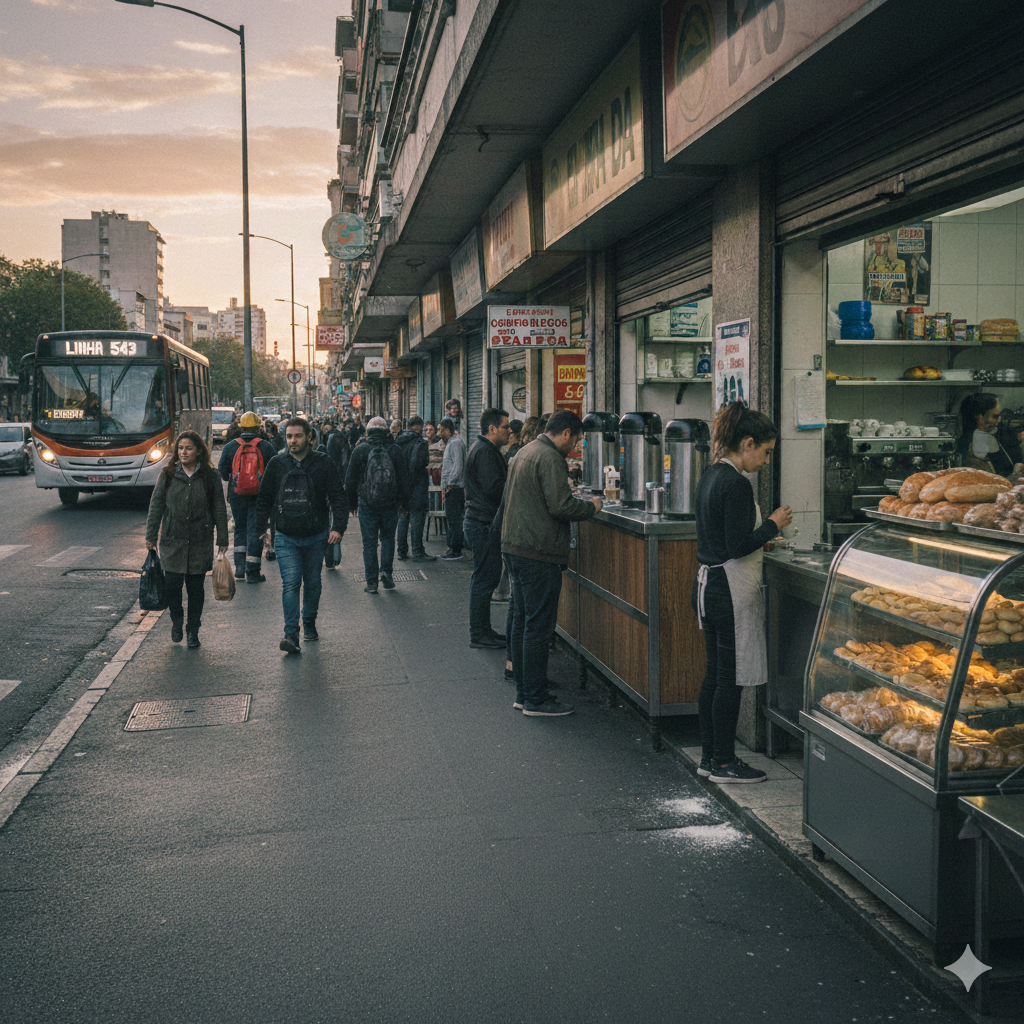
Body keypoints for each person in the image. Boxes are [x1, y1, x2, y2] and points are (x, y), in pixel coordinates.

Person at [691, 402, 792, 784]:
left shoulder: (712, 474)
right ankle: (723, 761)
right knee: (728, 680)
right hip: (727, 591)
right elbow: (737, 544)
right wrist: (772, 524)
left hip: (711, 586)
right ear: (748, 444)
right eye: (765, 452)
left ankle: (708, 757)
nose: (765, 461)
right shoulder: (734, 482)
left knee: (714, 676)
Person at [502, 410, 601, 716]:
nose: (577, 444)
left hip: (516, 547)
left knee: (523, 619)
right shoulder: (549, 457)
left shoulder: (526, 450)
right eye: (579, 438)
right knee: (538, 626)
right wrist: (592, 507)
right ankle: (534, 698)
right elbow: (561, 505)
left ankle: (524, 691)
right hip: (537, 552)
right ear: (567, 433)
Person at [255, 417, 348, 654]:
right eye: (288, 436)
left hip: (316, 535)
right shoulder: (277, 463)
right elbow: (264, 499)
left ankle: (309, 622)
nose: (292, 441)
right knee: (291, 583)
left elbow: (338, 496)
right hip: (285, 536)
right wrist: (262, 529)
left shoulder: (323, 462)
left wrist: (338, 527)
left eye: (297, 436)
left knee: (313, 582)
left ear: (309, 437)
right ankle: (291, 634)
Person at [145, 430, 229, 649]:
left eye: (188, 448)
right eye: (180, 448)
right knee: (172, 586)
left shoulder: (210, 476)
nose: (183, 452)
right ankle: (177, 620)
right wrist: (151, 536)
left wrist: (222, 537)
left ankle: (193, 630)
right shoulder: (169, 473)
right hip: (173, 540)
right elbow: (156, 505)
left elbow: (219, 507)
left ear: (199, 451)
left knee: (195, 589)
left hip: (200, 540)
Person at [345, 415, 408, 594]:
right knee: (388, 538)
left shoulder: (361, 450)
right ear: (386, 431)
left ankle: (371, 582)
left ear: (368, 432)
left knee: (369, 543)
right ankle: (386, 572)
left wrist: (352, 503)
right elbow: (404, 479)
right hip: (390, 503)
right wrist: (404, 503)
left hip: (367, 503)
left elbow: (350, 479)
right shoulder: (395, 450)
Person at [464, 407, 511, 648]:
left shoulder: (483, 448)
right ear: (492, 429)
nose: (509, 431)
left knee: (484, 578)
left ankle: (483, 631)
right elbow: (496, 489)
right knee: (485, 579)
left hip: (480, 521)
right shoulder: (485, 451)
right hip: (483, 523)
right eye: (505, 426)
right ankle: (479, 634)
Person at [218, 412, 277, 584]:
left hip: (237, 494)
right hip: (260, 495)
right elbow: (274, 471)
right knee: (256, 530)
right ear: (258, 428)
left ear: (241, 427)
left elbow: (223, 471)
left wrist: (235, 480)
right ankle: (253, 572)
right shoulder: (265, 446)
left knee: (240, 529)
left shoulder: (231, 446)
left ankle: (240, 568)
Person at [395, 415, 436, 563]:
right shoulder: (420, 443)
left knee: (403, 517)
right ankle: (418, 551)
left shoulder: (398, 441)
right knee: (417, 518)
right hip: (416, 486)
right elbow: (417, 464)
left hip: (401, 486)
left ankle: (401, 551)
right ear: (418, 427)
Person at [955, 393, 1022, 476]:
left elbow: (1016, 456)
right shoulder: (966, 441)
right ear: (979, 417)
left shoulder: (1004, 431)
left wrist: (1018, 464)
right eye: (995, 416)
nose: (999, 420)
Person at [438, 416, 466, 560]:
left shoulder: (455, 443)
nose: (439, 433)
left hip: (454, 488)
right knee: (452, 519)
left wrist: (450, 483)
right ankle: (452, 548)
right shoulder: (452, 442)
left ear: (448, 430)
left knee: (454, 520)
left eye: (441, 430)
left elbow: (458, 466)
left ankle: (455, 550)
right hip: (452, 487)